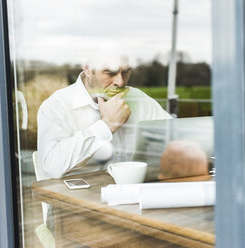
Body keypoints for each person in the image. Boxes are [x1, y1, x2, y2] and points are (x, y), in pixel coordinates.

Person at [37, 48, 172, 178]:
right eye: (110, 73)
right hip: (79, 197)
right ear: (88, 69)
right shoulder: (57, 106)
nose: (120, 82)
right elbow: (51, 167)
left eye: (126, 72)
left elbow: (174, 137)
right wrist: (106, 125)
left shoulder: (138, 99)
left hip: (132, 192)